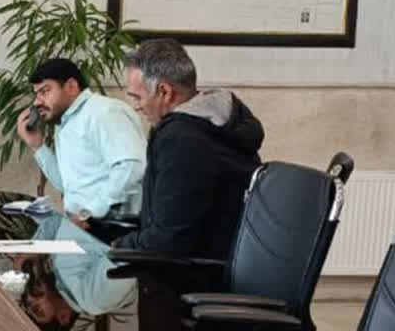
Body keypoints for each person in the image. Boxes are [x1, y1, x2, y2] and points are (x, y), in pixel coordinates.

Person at [112, 38, 264, 259]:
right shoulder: (219, 122)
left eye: (138, 97)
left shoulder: (181, 139)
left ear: (164, 92)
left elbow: (166, 242)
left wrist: (115, 246)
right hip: (222, 260)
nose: (136, 107)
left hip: (190, 271)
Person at [14, 57, 147, 230]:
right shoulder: (65, 123)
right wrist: (38, 146)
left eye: (45, 91)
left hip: (111, 228)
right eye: (36, 94)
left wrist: (89, 213)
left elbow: (132, 167)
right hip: (84, 224)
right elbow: (69, 185)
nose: (37, 102)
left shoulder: (104, 112)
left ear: (71, 86)